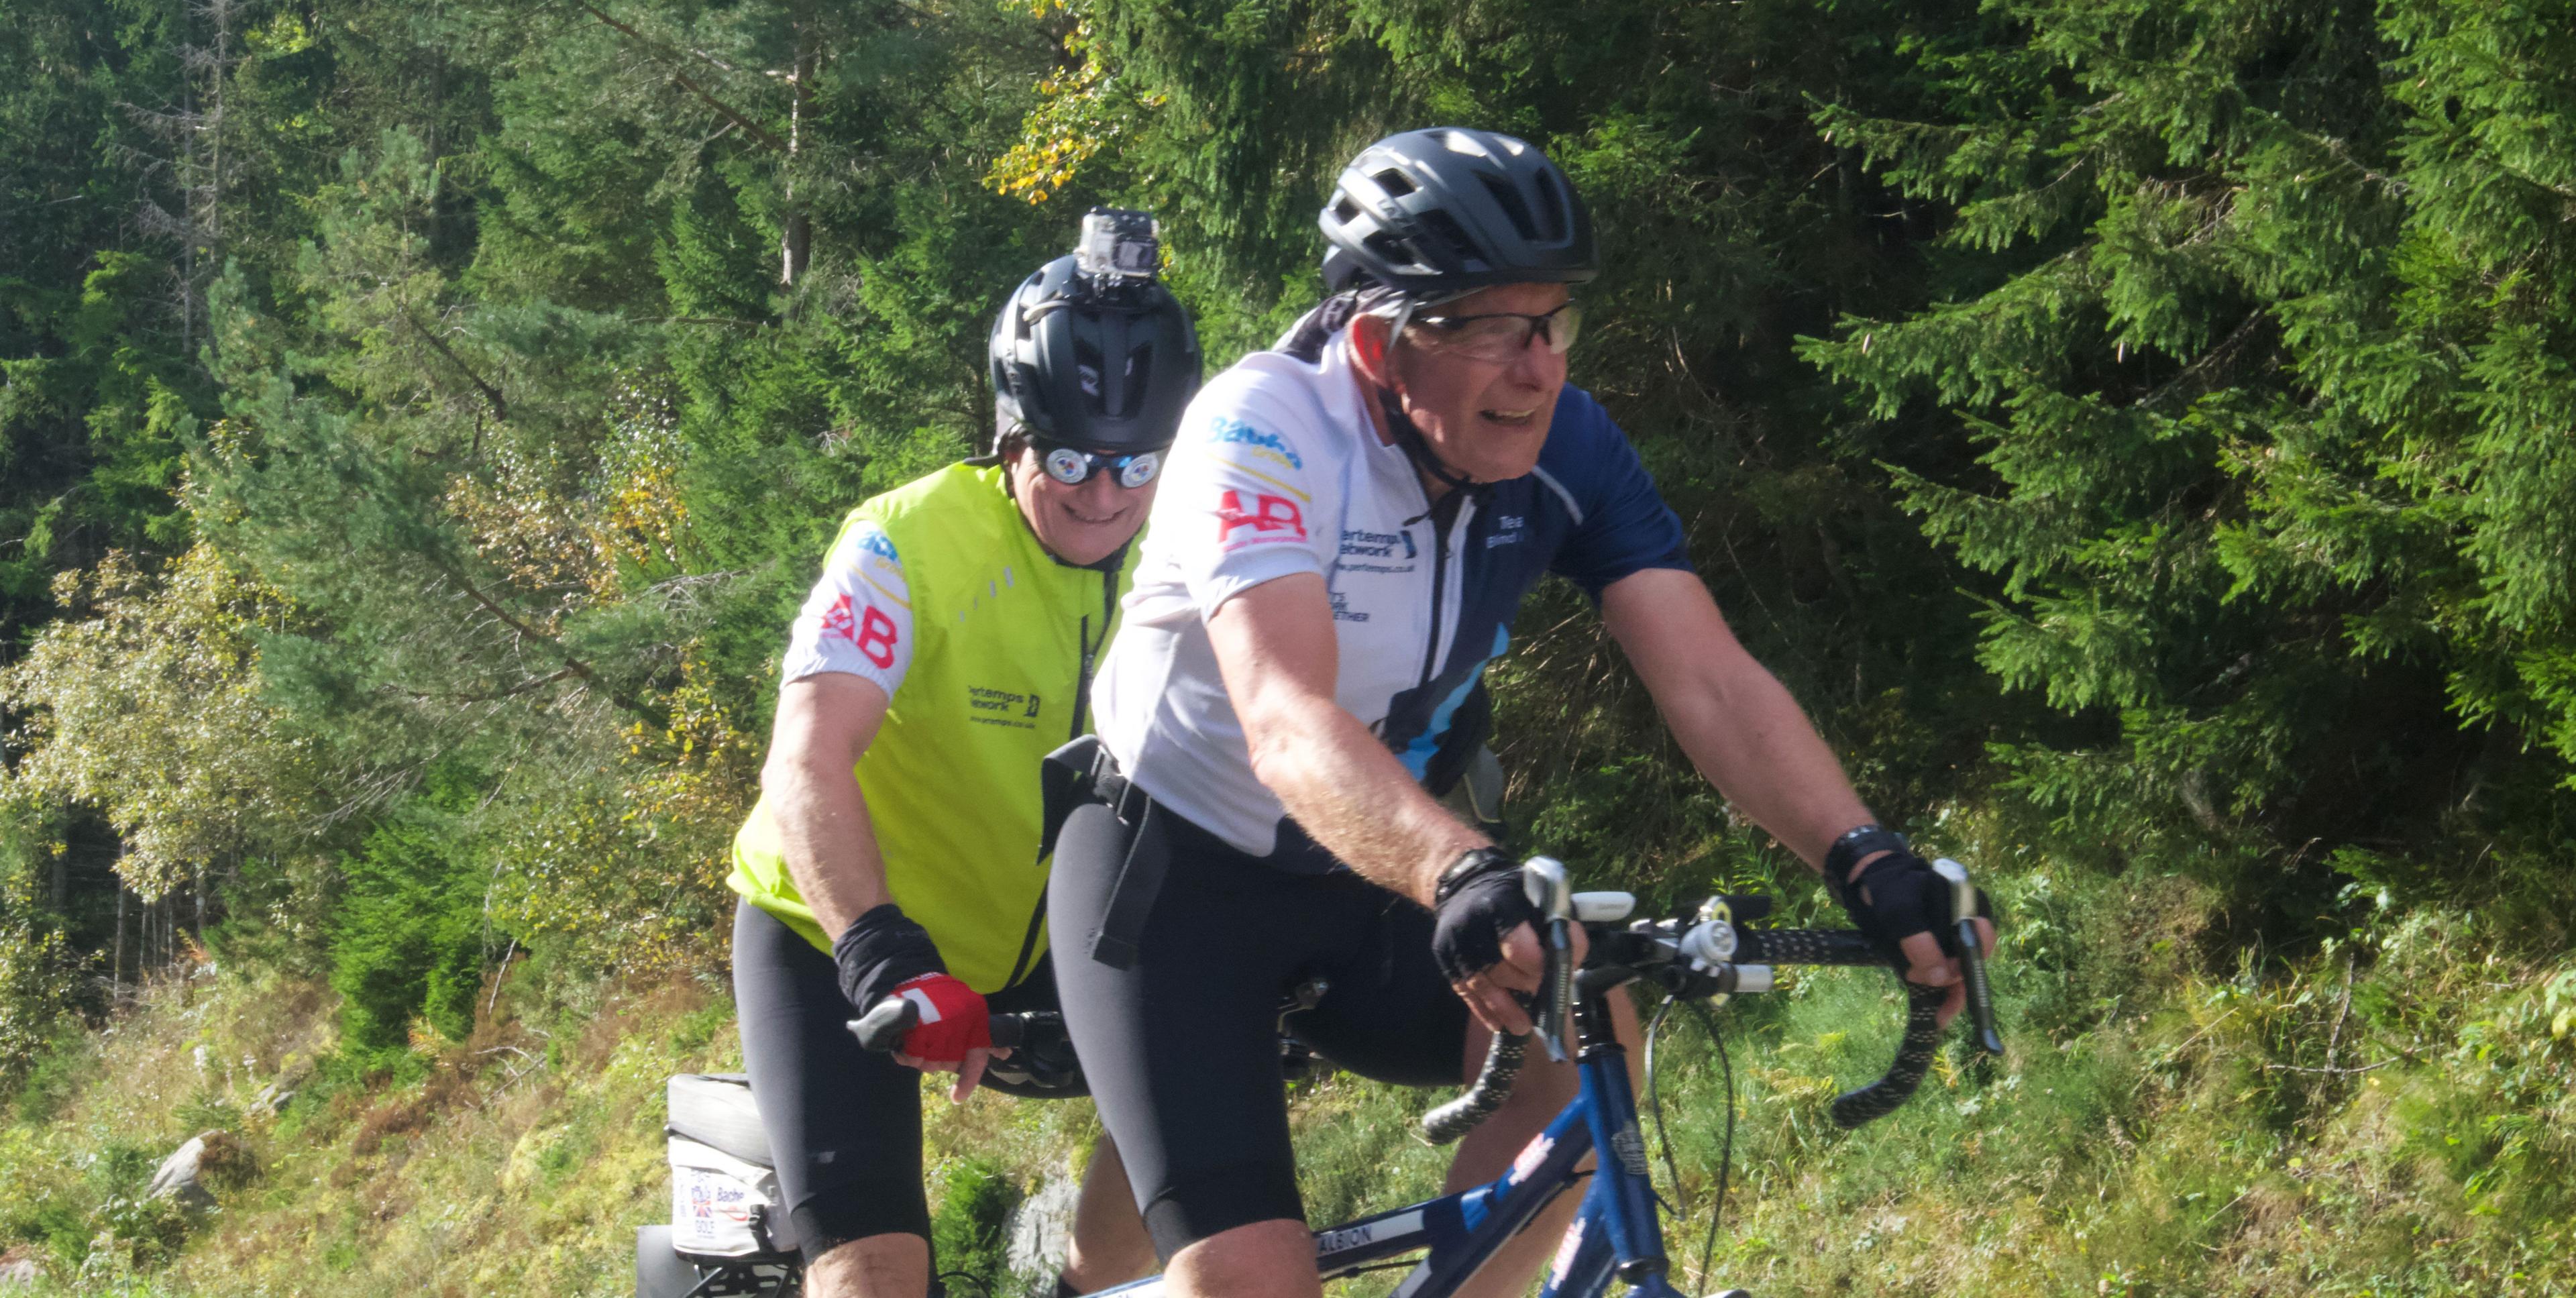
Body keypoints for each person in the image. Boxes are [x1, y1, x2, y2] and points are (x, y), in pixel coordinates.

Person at [1048, 129, 1996, 1298]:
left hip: (1364, 873)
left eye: (1553, 323)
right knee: (1249, 1280)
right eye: (1494, 326)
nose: (1539, 367)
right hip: (1172, 877)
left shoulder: (1574, 447)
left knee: (1582, 1029)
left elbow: (1709, 678)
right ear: (1377, 344)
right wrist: (1460, 871)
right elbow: (1284, 718)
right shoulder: (1262, 430)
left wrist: (1864, 856)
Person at [727, 211, 1200, 1298]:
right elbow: (805, 760)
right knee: (875, 1276)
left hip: (1049, 948)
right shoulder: (906, 541)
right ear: (1011, 433)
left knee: (1204, 1084)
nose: (1103, 495)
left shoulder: (1191, 552)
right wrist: (884, 954)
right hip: (838, 933)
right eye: (1071, 457)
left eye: (1138, 463)